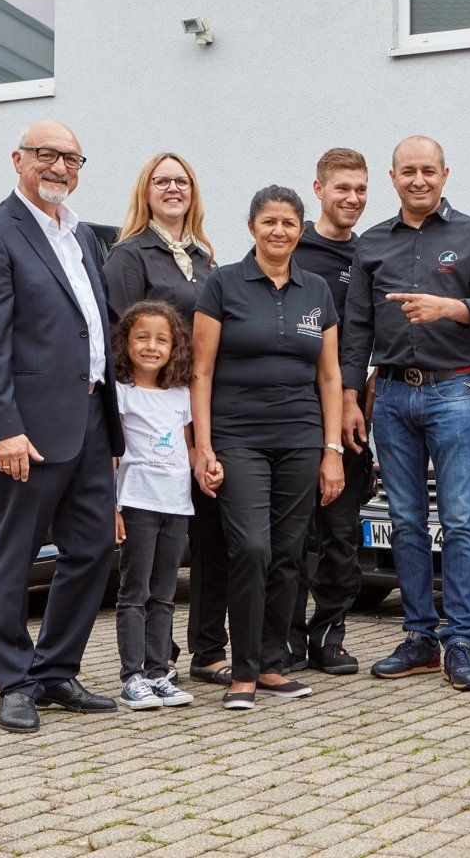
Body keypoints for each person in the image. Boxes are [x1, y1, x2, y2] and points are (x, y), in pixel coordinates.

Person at [0, 120, 125, 733]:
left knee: (94, 549)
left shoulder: (80, 235)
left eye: (72, 158)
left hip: (91, 418)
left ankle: (56, 671)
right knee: (14, 555)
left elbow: (90, 325)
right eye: (47, 155)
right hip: (27, 429)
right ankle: (15, 682)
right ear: (18, 159)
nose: (60, 167)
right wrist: (3, 427)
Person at [341, 136, 470, 692]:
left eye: (429, 171)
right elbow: (357, 328)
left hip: (453, 392)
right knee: (407, 521)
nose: (419, 180)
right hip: (390, 396)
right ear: (393, 177)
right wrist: (349, 396)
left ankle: (460, 643)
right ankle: (419, 638)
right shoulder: (371, 243)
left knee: (458, 520)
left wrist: (450, 308)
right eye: (408, 171)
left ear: (445, 174)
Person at [191, 186, 345, 710]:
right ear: (252, 227)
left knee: (288, 553)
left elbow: (329, 376)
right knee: (252, 548)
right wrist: (204, 446)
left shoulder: (316, 289)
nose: (279, 231)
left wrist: (331, 450)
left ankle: (273, 664)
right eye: (269, 222)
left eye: (288, 223)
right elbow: (201, 371)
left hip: (301, 438)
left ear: (301, 229)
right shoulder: (223, 284)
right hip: (238, 439)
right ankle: (243, 671)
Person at [102, 152, 231, 689]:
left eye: (182, 181)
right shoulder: (129, 255)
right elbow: (123, 337)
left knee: (204, 538)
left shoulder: (204, 257)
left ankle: (200, 649)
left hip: (196, 403)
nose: (173, 188)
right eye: (162, 181)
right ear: (146, 190)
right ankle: (154, 660)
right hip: (150, 407)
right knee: (148, 564)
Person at [287, 148, 372, 676]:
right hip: (296, 414)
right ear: (318, 189)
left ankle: (329, 636)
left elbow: (374, 335)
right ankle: (287, 639)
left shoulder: (370, 254)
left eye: (361, 189)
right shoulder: (292, 248)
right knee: (294, 537)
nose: (353, 198)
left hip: (351, 419)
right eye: (342, 187)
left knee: (341, 537)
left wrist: (363, 393)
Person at [111, 300, 211, 710]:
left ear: (175, 347)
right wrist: (112, 507)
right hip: (137, 502)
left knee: (165, 593)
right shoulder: (121, 393)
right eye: (142, 337)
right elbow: (111, 455)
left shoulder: (180, 394)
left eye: (161, 340)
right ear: (125, 342)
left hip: (177, 505)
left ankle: (158, 673)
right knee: (135, 591)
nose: (151, 347)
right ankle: (132, 677)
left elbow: (188, 448)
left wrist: (206, 467)